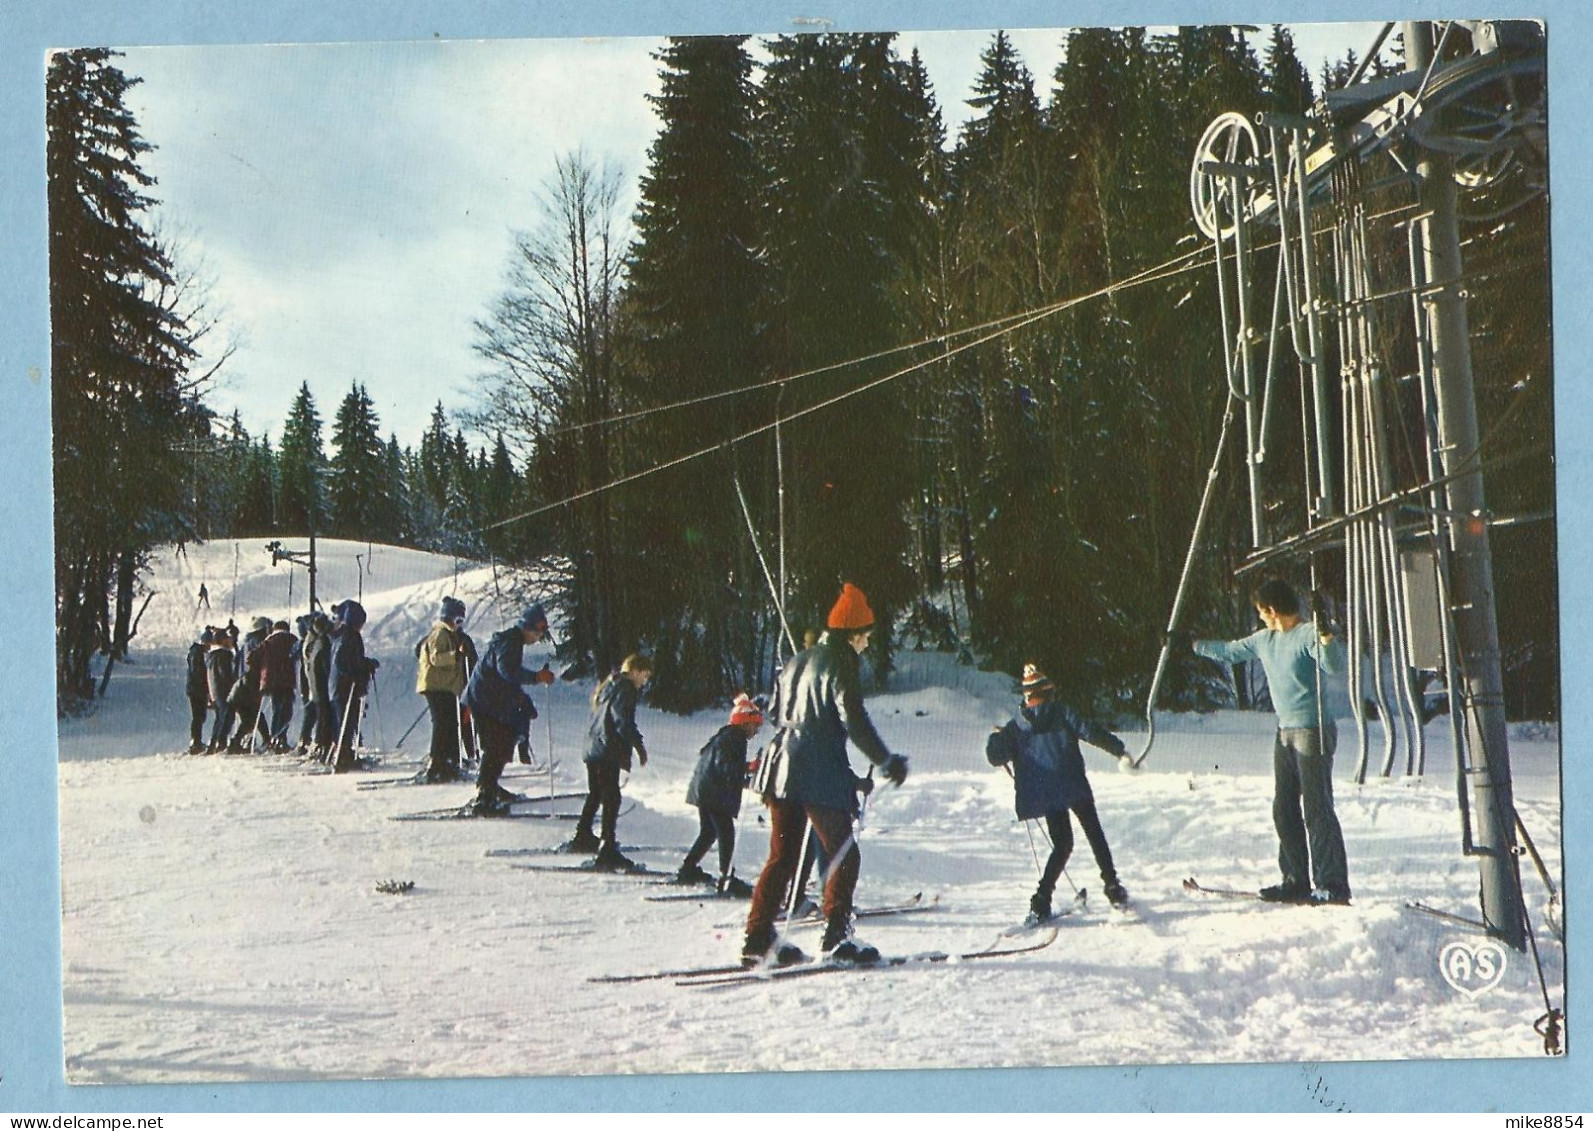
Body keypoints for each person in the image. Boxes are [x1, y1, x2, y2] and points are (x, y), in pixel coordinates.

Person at [741, 582, 909, 967]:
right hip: (816, 769)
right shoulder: (841, 663)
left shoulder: (797, 659)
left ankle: (757, 937)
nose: (867, 644)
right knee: (843, 852)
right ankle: (836, 936)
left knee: (781, 856)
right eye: (866, 636)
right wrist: (885, 760)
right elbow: (853, 718)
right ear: (854, 634)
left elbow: (773, 714)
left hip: (780, 765)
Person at [1193, 577, 1350, 905]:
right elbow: (1230, 652)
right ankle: (1295, 879)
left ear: (1273, 609)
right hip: (1285, 732)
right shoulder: (1265, 639)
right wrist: (1192, 644)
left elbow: (1333, 665)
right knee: (1283, 808)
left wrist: (1325, 634)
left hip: (1313, 731)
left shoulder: (1307, 634)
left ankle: (1332, 885)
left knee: (1317, 809)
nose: (1260, 617)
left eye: (1261, 611)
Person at [986, 663, 1133, 923]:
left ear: (1027, 697)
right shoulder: (1062, 713)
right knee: (1094, 833)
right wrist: (1119, 750)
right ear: (1048, 692)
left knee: (1063, 844)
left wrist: (996, 739)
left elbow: (995, 757)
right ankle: (1112, 887)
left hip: (1046, 793)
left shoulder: (1016, 726)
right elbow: (1092, 731)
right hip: (1073, 784)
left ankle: (1042, 899)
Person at [463, 604, 556, 815]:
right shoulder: (511, 641)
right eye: (539, 632)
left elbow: (507, 676)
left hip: (488, 699)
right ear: (529, 628)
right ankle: (484, 796)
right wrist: (536, 677)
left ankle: (490, 787)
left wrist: (521, 697)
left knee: (503, 742)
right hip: (484, 700)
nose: (539, 637)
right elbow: (506, 671)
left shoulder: (513, 640)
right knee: (497, 745)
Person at [571, 653, 653, 869]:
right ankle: (607, 847)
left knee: (597, 793)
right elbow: (621, 720)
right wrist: (638, 745)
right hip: (607, 749)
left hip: (592, 746)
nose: (644, 682)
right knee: (611, 797)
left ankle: (583, 834)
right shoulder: (626, 688)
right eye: (644, 676)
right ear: (635, 670)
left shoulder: (609, 684)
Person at [676, 694, 762, 894]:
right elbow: (727, 767)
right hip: (714, 793)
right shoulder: (737, 738)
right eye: (754, 725)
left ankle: (688, 868)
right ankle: (727, 878)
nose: (756, 730)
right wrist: (747, 780)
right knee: (726, 833)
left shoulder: (726, 735)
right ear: (744, 722)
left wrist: (747, 767)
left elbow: (724, 762)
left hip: (704, 789)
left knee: (709, 832)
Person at [416, 596, 469, 783]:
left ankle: (449, 761)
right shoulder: (440, 633)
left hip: (444, 686)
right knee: (442, 723)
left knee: (450, 723)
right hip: (436, 686)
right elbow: (436, 658)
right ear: (449, 618)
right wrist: (457, 655)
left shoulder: (447, 634)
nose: (459, 625)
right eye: (458, 620)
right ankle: (437, 763)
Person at [328, 599, 379, 772]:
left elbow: (348, 659)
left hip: (337, 686)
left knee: (344, 722)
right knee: (346, 723)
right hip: (345, 687)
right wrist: (361, 668)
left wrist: (365, 663)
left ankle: (345, 754)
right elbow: (343, 661)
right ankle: (343, 758)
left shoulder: (340, 635)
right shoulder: (350, 636)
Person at [229, 616, 273, 751]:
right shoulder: (257, 642)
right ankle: (266, 741)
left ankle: (238, 741)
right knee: (255, 714)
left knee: (250, 717)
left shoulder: (246, 643)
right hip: (251, 682)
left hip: (242, 682)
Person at [256, 620, 299, 752]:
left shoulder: (267, 642)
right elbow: (297, 655)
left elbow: (254, 657)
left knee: (276, 709)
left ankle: (274, 738)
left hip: (271, 681)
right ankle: (281, 738)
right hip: (286, 679)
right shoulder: (291, 639)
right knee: (286, 711)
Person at [299, 612, 334, 759]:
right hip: (320, 684)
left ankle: (308, 741)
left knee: (315, 714)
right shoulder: (321, 641)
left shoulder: (310, 640)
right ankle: (320, 744)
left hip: (312, 683)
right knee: (322, 715)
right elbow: (324, 665)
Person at [203, 627, 239, 752]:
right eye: (228, 639)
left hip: (214, 691)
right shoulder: (225, 655)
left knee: (219, 717)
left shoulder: (211, 656)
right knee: (227, 716)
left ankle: (213, 742)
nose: (230, 641)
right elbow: (226, 674)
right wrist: (234, 685)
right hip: (224, 690)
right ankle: (221, 742)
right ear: (223, 640)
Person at [185, 629, 213, 753]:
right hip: (197, 689)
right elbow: (198, 672)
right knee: (198, 716)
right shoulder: (197, 653)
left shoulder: (194, 652)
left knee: (199, 716)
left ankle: (196, 740)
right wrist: (205, 684)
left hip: (194, 688)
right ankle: (195, 741)